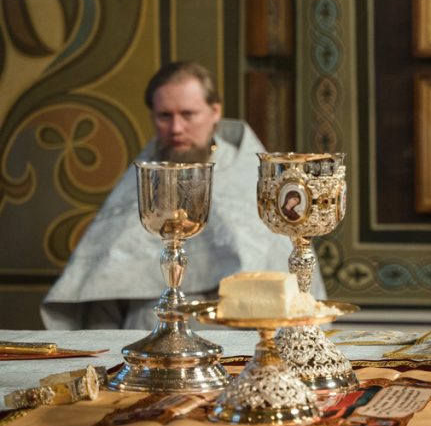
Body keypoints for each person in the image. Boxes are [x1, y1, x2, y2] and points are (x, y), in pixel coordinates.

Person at [41, 61, 325, 330]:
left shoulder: (249, 174)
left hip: (237, 333)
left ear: (215, 112)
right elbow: (100, 288)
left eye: (188, 114)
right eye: (165, 116)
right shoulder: (140, 178)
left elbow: (286, 282)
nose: (176, 128)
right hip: (146, 335)